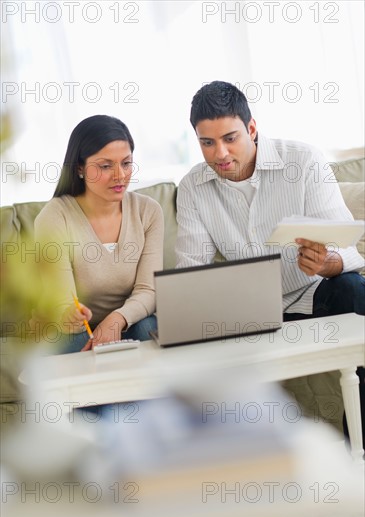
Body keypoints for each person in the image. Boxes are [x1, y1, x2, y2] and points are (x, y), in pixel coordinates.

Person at [175, 80, 365, 445]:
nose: (220, 154)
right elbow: (189, 276)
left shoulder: (304, 161)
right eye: (207, 143)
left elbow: (350, 248)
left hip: (314, 294)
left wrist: (330, 263)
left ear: (251, 128)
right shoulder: (193, 188)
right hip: (248, 313)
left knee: (354, 290)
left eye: (230, 138)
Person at [32, 114, 164, 353]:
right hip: (77, 330)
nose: (120, 176)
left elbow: (148, 291)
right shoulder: (54, 217)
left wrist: (116, 319)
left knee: (147, 328)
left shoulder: (148, 211)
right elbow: (63, 301)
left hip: (128, 321)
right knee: (72, 338)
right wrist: (68, 314)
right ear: (80, 167)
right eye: (105, 166)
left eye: (126, 163)